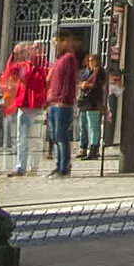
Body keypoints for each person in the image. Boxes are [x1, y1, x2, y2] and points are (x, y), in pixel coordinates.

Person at [45, 30, 81, 178]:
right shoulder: (58, 60)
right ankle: (58, 164)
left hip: (62, 103)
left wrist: (64, 98)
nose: (54, 45)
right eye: (53, 42)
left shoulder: (69, 59)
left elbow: (69, 81)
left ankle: (64, 166)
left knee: (61, 135)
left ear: (65, 41)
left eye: (57, 41)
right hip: (53, 102)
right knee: (54, 135)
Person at [1, 44, 37, 176]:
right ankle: (21, 166)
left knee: (32, 138)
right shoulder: (21, 65)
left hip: (35, 105)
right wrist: (12, 55)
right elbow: (9, 70)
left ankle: (33, 167)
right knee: (21, 137)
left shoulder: (35, 65)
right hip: (24, 103)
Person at [76, 54, 106, 161]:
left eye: (92, 60)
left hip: (93, 102)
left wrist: (85, 85)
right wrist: (82, 84)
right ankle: (83, 147)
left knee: (93, 127)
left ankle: (94, 149)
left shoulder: (99, 71)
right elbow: (81, 82)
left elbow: (95, 85)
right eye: (88, 60)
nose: (90, 62)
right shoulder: (88, 72)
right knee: (83, 125)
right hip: (85, 101)